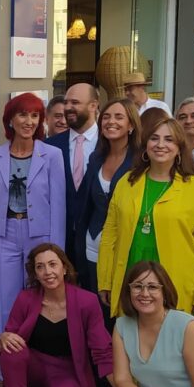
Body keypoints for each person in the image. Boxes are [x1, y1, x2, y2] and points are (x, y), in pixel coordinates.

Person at [97, 117, 194, 360]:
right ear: (145, 145)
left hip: (175, 279)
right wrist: (106, 281)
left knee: (174, 352)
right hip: (131, 274)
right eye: (154, 138)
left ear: (179, 148)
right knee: (133, 349)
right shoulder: (127, 183)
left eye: (169, 139)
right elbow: (110, 234)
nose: (161, 145)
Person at [0, 93, 66, 387]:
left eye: (34, 116)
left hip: (39, 238)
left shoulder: (51, 155)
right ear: (10, 120)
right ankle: (6, 374)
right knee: (5, 307)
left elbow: (58, 205)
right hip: (3, 236)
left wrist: (56, 254)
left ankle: (37, 372)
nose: (29, 121)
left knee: (38, 304)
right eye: (22, 115)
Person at [0, 244, 113, 387]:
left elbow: (102, 350)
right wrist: (3, 337)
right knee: (11, 349)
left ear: (64, 268)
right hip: (34, 365)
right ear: (35, 273)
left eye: (53, 264)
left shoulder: (87, 301)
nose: (47, 272)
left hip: (66, 370)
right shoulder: (26, 298)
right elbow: (9, 334)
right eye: (40, 267)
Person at [76, 98, 141, 295]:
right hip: (92, 245)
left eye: (119, 117)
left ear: (131, 125)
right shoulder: (96, 158)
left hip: (125, 247)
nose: (111, 121)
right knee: (95, 303)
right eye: (106, 117)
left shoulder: (141, 161)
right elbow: (85, 206)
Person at [46, 83, 99, 262]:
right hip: (61, 243)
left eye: (75, 102)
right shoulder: (50, 146)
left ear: (93, 105)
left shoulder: (110, 144)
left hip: (98, 243)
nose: (68, 107)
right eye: (67, 102)